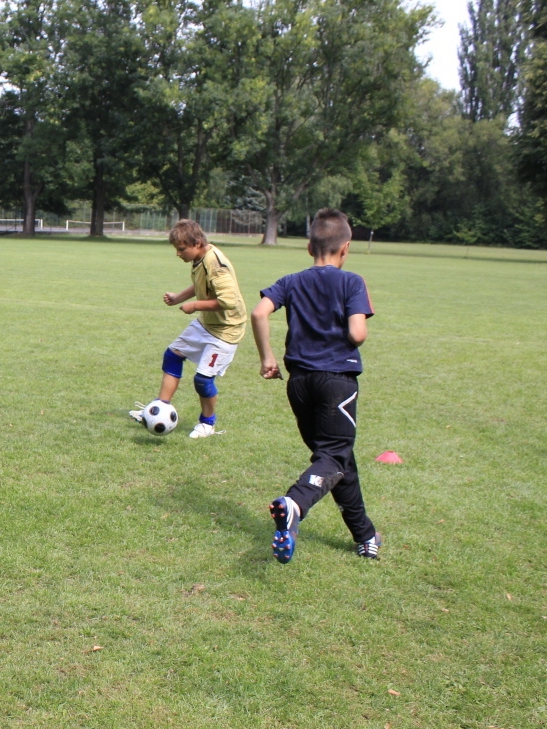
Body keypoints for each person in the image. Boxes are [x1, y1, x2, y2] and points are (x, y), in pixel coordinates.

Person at [251, 207, 382, 564]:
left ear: (310, 247)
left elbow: (259, 312)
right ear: (346, 248)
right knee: (333, 457)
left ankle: (365, 535)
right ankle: (295, 503)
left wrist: (267, 358)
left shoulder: (292, 280)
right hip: (337, 383)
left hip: (299, 385)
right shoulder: (351, 281)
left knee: (336, 460)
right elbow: (357, 333)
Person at [130, 219, 247, 439]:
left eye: (181, 249)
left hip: (226, 330)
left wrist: (194, 306)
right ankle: (158, 408)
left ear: (198, 242)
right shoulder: (200, 259)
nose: (178, 254)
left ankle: (208, 424)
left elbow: (228, 301)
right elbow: (201, 285)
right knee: (172, 355)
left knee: (203, 379)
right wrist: (178, 298)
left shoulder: (216, 264)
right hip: (208, 323)